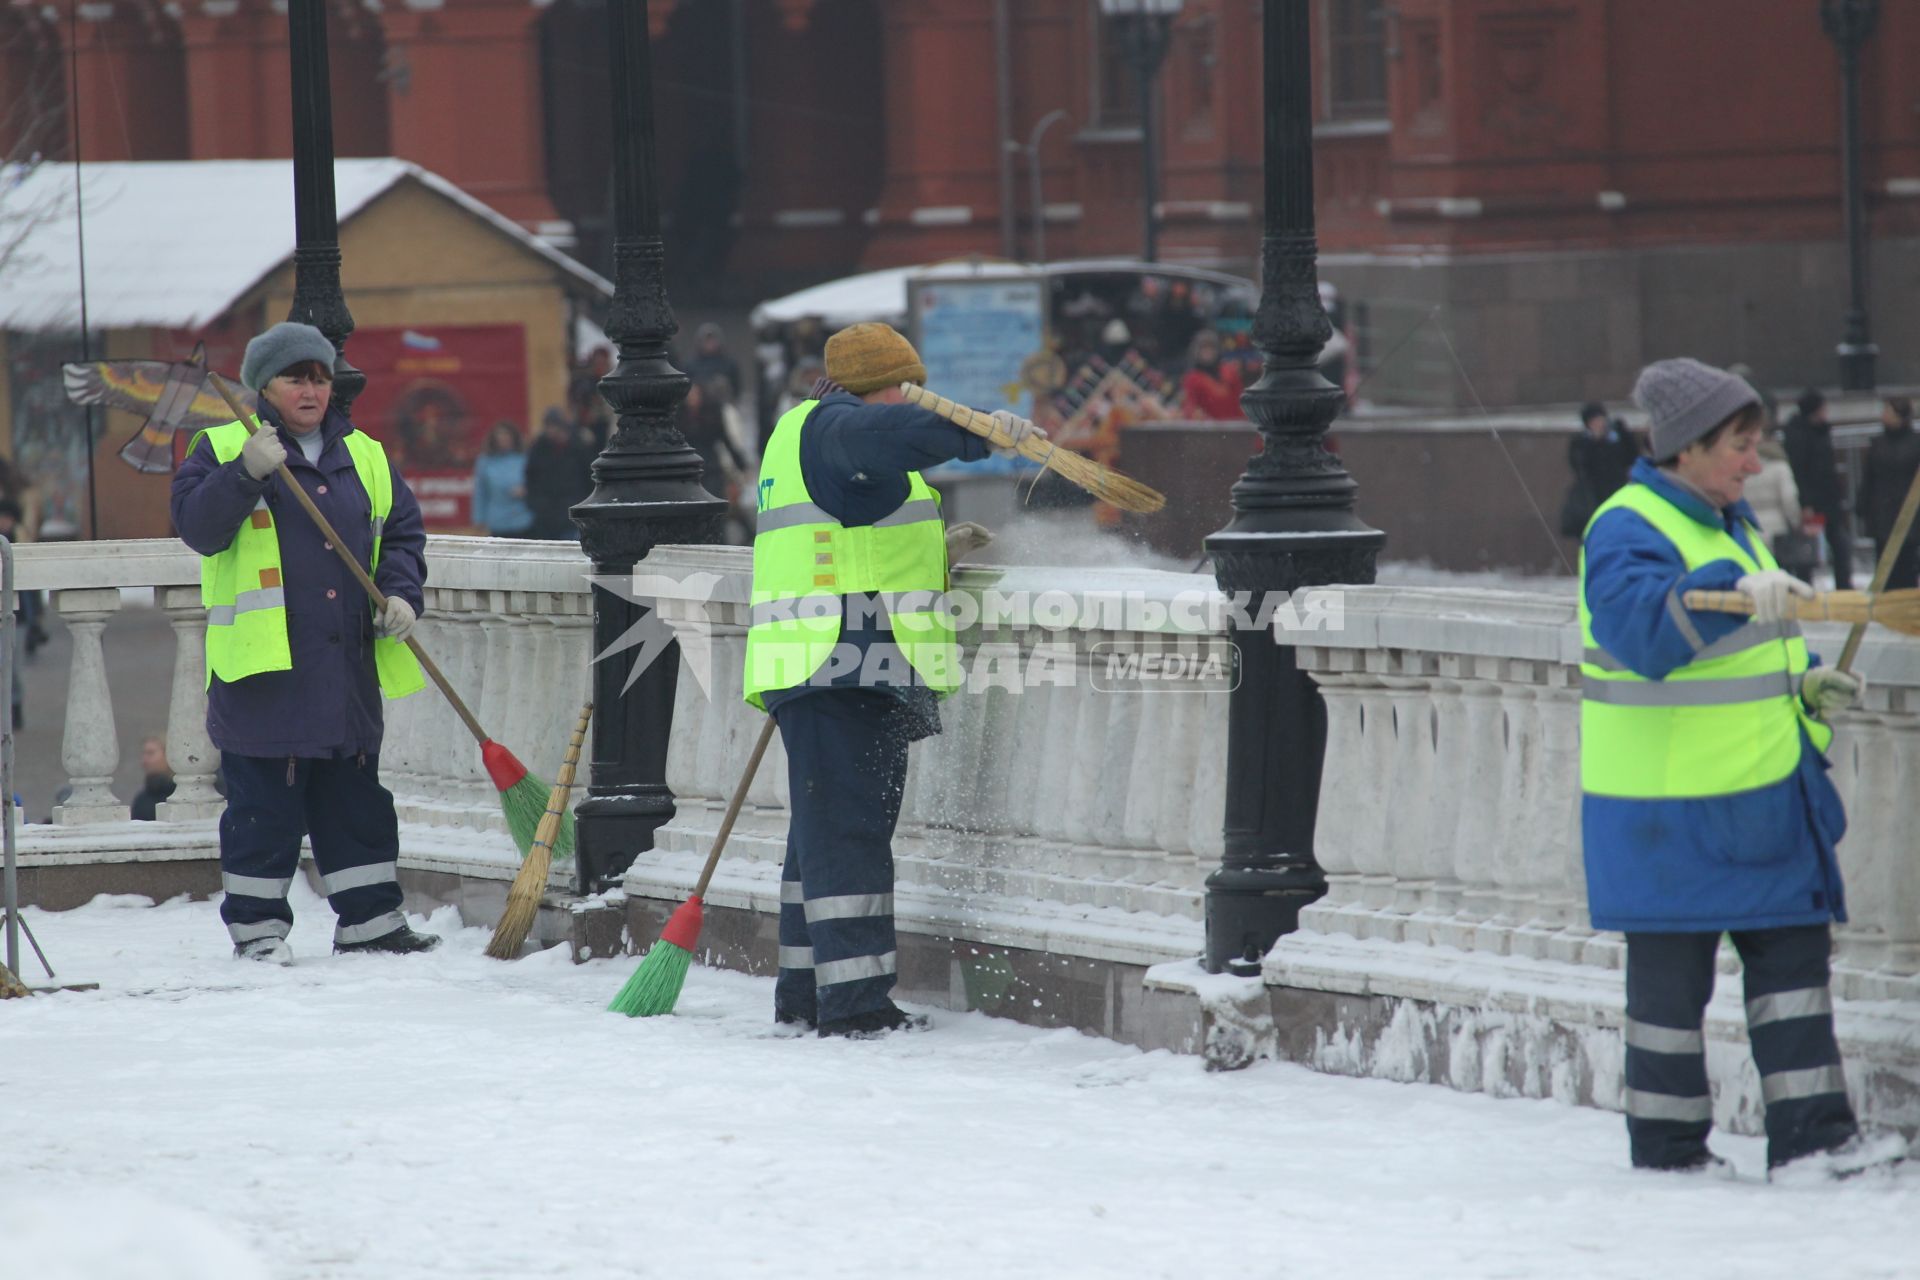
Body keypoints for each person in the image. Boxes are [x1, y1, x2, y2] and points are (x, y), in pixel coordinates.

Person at [1579, 357, 1902, 1178]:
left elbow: (1740, 663)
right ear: (1688, 447)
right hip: (1670, 816)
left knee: (1794, 980)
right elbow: (1645, 640)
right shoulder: (1627, 526)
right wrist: (1727, 585)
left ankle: (1814, 1142)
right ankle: (1668, 1152)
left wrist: (1803, 687)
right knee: (1667, 1004)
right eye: (1741, 445)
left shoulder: (1729, 522)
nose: (1756, 463)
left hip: (1758, 804)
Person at [744, 322, 1035, 1039]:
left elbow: (856, 545)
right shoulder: (841, 429)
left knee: (821, 833)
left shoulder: (804, 432)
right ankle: (858, 1005)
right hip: (840, 664)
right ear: (882, 384)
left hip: (826, 662)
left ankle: (807, 993)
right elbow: (895, 435)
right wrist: (976, 431)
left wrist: (938, 551)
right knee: (849, 833)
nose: (913, 394)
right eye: (906, 384)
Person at [171, 322, 439, 963]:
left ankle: (372, 923)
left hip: (345, 671)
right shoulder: (221, 446)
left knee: (355, 801)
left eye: (320, 376)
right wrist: (245, 475)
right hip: (265, 674)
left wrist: (402, 595)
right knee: (264, 808)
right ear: (264, 385)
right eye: (296, 377)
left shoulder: (366, 455)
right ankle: (259, 930)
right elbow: (199, 529)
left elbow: (401, 535)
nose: (312, 389)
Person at [1783, 390, 1853, 589]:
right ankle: (1805, 586)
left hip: (1829, 499)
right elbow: (1800, 471)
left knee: (1840, 545)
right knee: (1808, 549)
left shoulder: (1821, 432)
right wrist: (1805, 503)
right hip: (1813, 502)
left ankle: (1843, 587)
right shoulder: (1799, 436)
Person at [1857, 395, 1920, 589]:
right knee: (1884, 565)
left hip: (1909, 515)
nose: (1883, 415)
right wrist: (1862, 504)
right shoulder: (1878, 443)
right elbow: (1868, 477)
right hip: (1882, 513)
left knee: (1907, 563)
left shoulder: (1915, 443)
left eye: (1888, 411)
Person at [1562, 402, 1641, 537]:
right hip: (1593, 495)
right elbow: (1579, 465)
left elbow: (1632, 456)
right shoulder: (1581, 442)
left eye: (1600, 419)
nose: (1599, 424)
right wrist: (1595, 443)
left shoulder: (1618, 436)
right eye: (1594, 421)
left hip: (1618, 488)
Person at [1746, 423, 1811, 579]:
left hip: (1750, 526)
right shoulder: (1780, 466)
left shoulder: (1744, 467)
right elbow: (1789, 498)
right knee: (1779, 573)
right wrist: (1796, 522)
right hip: (1777, 528)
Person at [523, 407, 597, 540]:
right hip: (546, 514)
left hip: (573, 510)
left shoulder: (579, 447)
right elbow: (531, 478)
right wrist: (536, 504)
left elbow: (589, 477)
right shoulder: (539, 448)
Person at [471, 421, 534, 538]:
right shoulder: (485, 461)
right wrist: (479, 519)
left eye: (507, 436)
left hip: (523, 520)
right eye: (501, 436)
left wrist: (527, 490)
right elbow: (481, 492)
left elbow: (538, 483)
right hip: (497, 522)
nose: (504, 440)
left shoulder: (524, 458)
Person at [1179, 329, 1244, 421]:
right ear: (1197, 351)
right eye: (1204, 348)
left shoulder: (1230, 372)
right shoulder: (1192, 379)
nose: (1207, 351)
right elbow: (1189, 407)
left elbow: (1240, 403)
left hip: (1235, 427)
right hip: (1209, 431)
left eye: (1211, 347)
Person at [684, 322, 743, 404]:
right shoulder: (691, 365)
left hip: (723, 406)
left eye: (713, 340)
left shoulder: (729, 364)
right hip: (699, 407)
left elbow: (736, 389)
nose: (710, 343)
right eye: (707, 340)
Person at [130, 735, 176, 821]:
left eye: (150, 753)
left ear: (168, 755)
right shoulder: (141, 799)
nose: (144, 760)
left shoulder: (179, 792)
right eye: (143, 754)